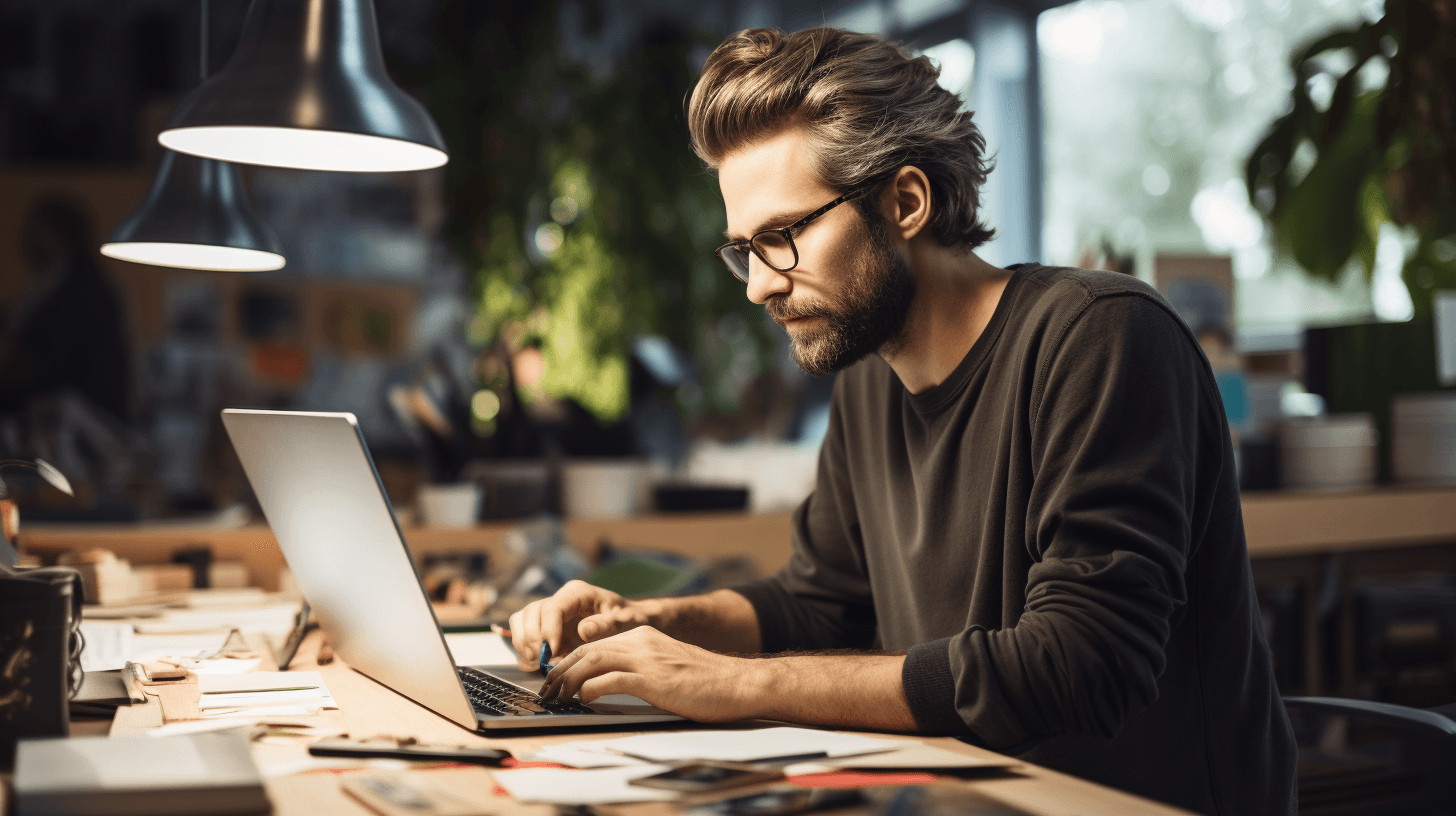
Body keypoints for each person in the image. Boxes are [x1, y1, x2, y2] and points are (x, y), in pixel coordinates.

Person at [510, 27, 1297, 815]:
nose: (758, 286)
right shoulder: (869, 378)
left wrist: (737, 684)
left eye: (782, 237)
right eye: (744, 249)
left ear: (907, 203)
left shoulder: (1103, 335)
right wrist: (646, 624)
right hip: (954, 797)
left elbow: (1080, 665)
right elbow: (820, 605)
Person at [0, 194, 132, 423]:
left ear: (64, 234)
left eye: (42, 230)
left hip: (79, 415)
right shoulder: (46, 284)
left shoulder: (86, 291)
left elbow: (61, 358)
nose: (32, 237)